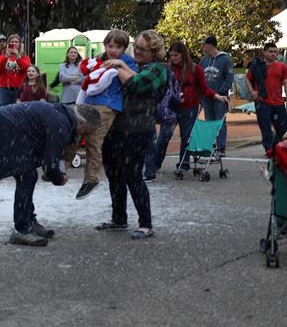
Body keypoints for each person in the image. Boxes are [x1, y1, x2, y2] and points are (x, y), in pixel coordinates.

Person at [0, 102, 101, 246]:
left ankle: (28, 221)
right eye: (87, 131)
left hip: (1, 124)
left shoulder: (62, 117)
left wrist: (54, 171)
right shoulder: (61, 124)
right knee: (27, 176)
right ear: (81, 123)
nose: (84, 135)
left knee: (28, 175)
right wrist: (59, 179)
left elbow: (49, 158)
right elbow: (50, 162)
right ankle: (22, 229)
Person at [98, 30, 168, 239]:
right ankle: (119, 218)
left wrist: (117, 65)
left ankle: (145, 223)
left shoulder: (158, 70)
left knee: (133, 175)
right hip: (116, 127)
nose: (137, 51)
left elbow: (136, 84)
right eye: (135, 46)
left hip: (138, 129)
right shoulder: (133, 65)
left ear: (154, 52)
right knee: (114, 174)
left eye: (142, 49)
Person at [66, 30, 136, 201]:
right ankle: (61, 165)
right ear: (105, 45)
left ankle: (91, 178)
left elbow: (135, 79)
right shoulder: (99, 58)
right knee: (72, 130)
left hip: (107, 105)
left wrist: (119, 65)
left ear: (124, 48)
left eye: (118, 47)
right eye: (110, 46)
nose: (113, 50)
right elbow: (87, 72)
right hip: (89, 102)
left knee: (94, 139)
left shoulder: (126, 61)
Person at [157, 41, 228, 177]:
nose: (173, 58)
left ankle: (183, 165)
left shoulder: (195, 69)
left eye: (176, 55)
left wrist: (217, 96)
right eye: (171, 55)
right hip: (171, 108)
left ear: (183, 55)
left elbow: (204, 88)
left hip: (189, 108)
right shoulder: (167, 69)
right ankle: (155, 164)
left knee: (186, 138)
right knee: (164, 137)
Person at [246, 43, 287, 154]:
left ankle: (275, 145)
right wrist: (252, 91)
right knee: (265, 128)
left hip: (278, 102)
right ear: (264, 52)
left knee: (283, 126)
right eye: (271, 51)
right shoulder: (256, 65)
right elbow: (247, 79)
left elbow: (285, 82)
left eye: (275, 52)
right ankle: (269, 150)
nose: (274, 54)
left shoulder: (282, 66)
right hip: (262, 101)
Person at [199, 36, 234, 156]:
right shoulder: (203, 60)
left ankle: (221, 148)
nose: (202, 46)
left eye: (204, 44)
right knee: (209, 122)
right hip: (207, 97)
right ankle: (210, 146)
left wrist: (220, 92)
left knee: (220, 122)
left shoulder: (225, 59)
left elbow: (229, 78)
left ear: (210, 45)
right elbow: (199, 78)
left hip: (220, 97)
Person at [0, 34, 32, 107]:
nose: (14, 43)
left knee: (18, 113)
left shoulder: (24, 57)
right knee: (3, 112)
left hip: (19, 89)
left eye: (16, 42)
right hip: (4, 89)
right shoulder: (2, 56)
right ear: (8, 44)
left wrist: (18, 58)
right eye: (12, 42)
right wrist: (5, 58)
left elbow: (26, 68)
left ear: (19, 44)